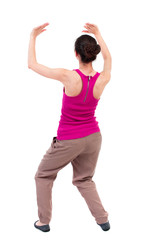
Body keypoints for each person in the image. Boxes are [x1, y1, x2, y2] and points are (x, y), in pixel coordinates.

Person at [28, 22, 112, 232]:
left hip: (69, 139)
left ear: (76, 54)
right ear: (94, 55)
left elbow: (32, 64)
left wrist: (33, 36)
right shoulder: (103, 78)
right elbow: (109, 59)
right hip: (93, 137)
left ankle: (43, 222)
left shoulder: (68, 76)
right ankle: (103, 220)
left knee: (43, 175)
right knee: (84, 179)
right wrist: (99, 34)